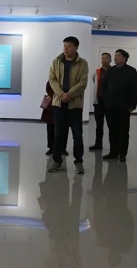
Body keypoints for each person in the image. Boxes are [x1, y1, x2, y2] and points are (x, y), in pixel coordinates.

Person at [48, 36, 89, 174]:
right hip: (59, 104)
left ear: (76, 47)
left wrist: (69, 95)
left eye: (69, 46)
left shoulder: (82, 63)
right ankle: (57, 160)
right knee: (58, 134)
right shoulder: (56, 61)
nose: (66, 48)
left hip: (75, 105)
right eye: (64, 46)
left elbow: (82, 83)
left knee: (77, 135)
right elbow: (52, 80)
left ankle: (79, 162)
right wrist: (61, 94)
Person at [103, 49, 137, 162]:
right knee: (112, 130)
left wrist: (132, 105)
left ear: (125, 58)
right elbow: (104, 87)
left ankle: (122, 153)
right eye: (115, 56)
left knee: (123, 130)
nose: (115, 57)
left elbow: (135, 89)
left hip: (124, 106)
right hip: (110, 106)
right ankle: (113, 152)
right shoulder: (111, 71)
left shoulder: (131, 71)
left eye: (118, 55)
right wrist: (105, 102)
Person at [89, 52, 112, 151]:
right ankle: (98, 144)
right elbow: (94, 80)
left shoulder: (114, 71)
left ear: (110, 60)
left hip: (110, 103)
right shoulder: (97, 72)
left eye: (106, 58)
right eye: (102, 58)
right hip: (98, 102)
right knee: (99, 125)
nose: (104, 60)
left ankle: (113, 148)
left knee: (111, 125)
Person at [41, 81, 68, 156]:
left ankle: (63, 148)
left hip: (63, 104)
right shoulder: (52, 78)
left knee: (64, 128)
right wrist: (57, 95)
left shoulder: (66, 78)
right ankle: (51, 147)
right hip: (52, 104)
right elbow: (48, 88)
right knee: (50, 128)